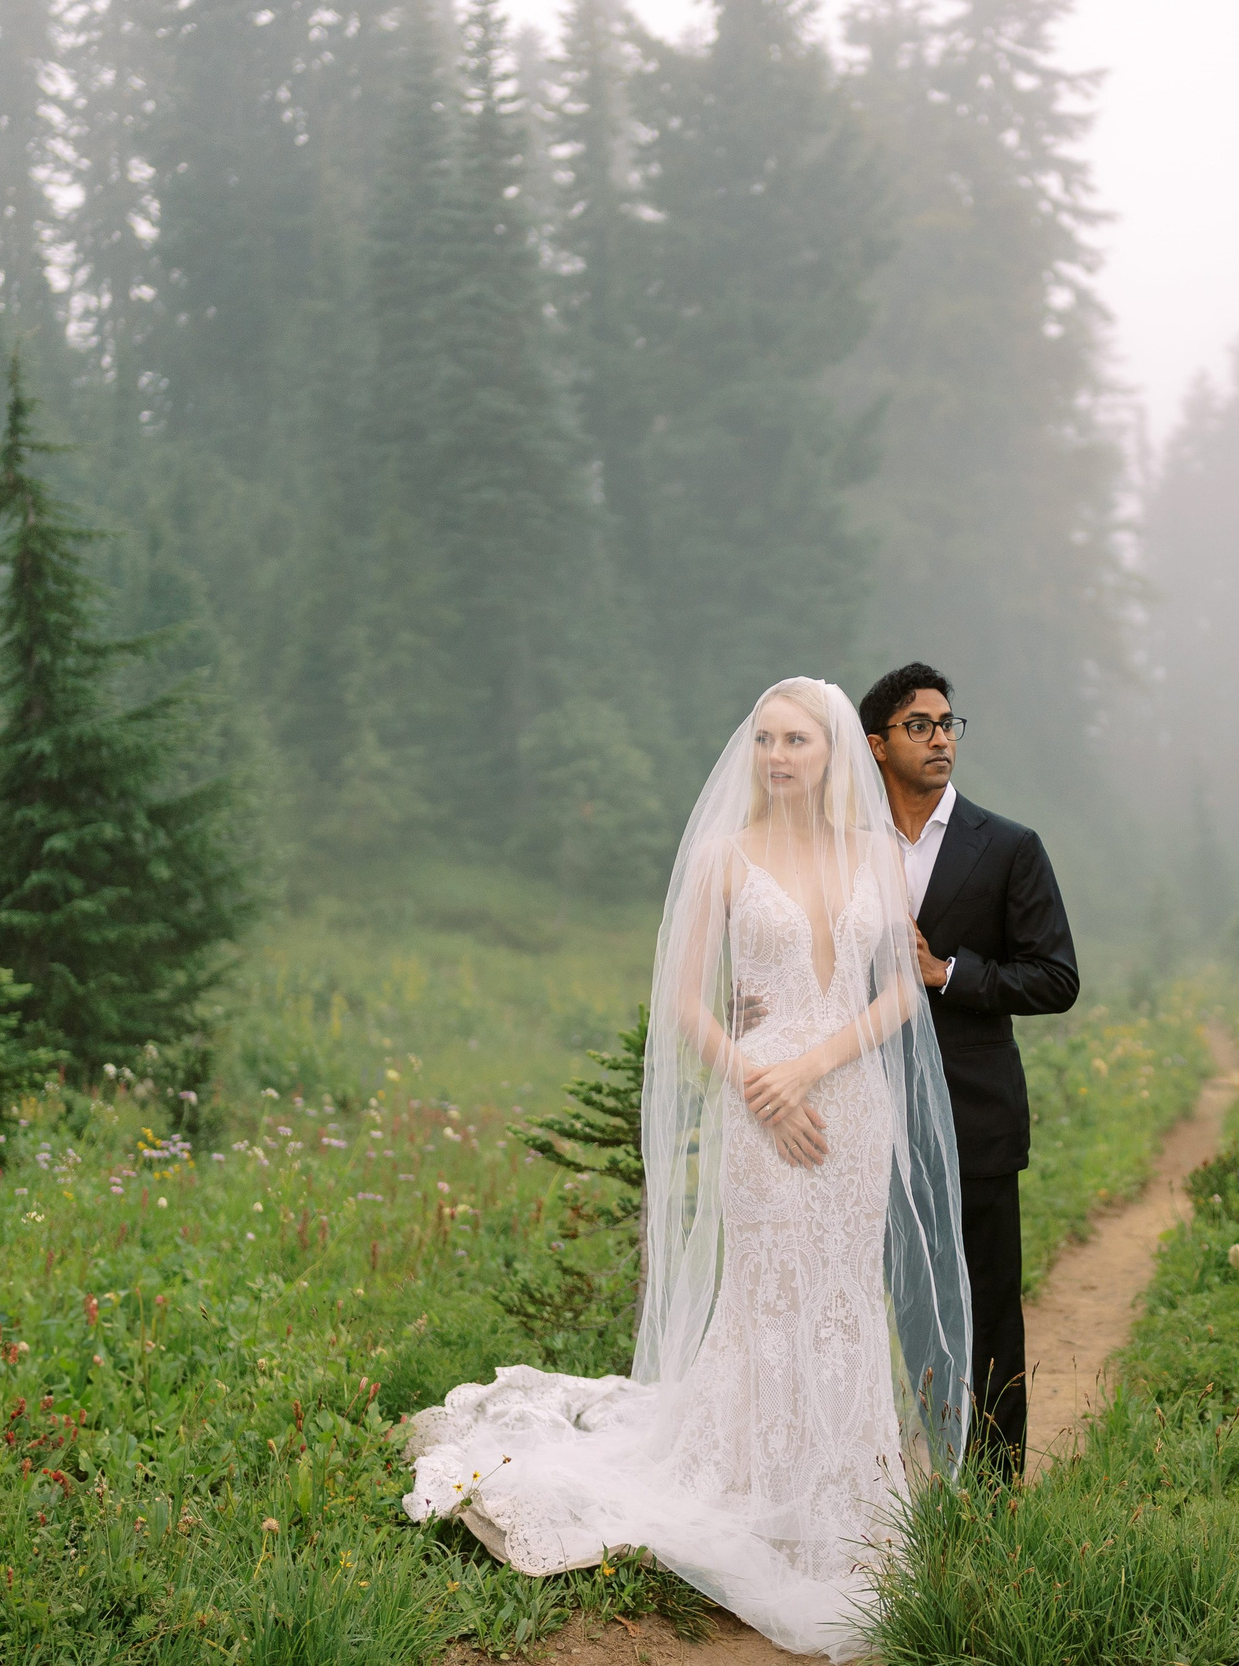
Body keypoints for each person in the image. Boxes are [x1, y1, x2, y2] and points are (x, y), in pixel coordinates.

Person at [403, 679, 971, 1661]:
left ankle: (838, 1484)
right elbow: (681, 999)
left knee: (838, 1291)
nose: (778, 754)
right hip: (757, 1106)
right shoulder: (723, 854)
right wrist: (759, 1078)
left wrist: (813, 1065)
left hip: (849, 1103)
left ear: (835, 751)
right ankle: (749, 1481)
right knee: (770, 1290)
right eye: (764, 739)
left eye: (797, 738)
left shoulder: (877, 850)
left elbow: (895, 998)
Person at [857, 663, 1079, 1479]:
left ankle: (990, 1495)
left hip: (974, 1117)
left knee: (985, 1310)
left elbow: (1055, 979)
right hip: (862, 1116)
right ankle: (899, 1474)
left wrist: (949, 973)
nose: (942, 737)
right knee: (893, 1305)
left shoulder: (1011, 847)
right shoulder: (843, 847)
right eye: (920, 726)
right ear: (877, 745)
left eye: (949, 723)